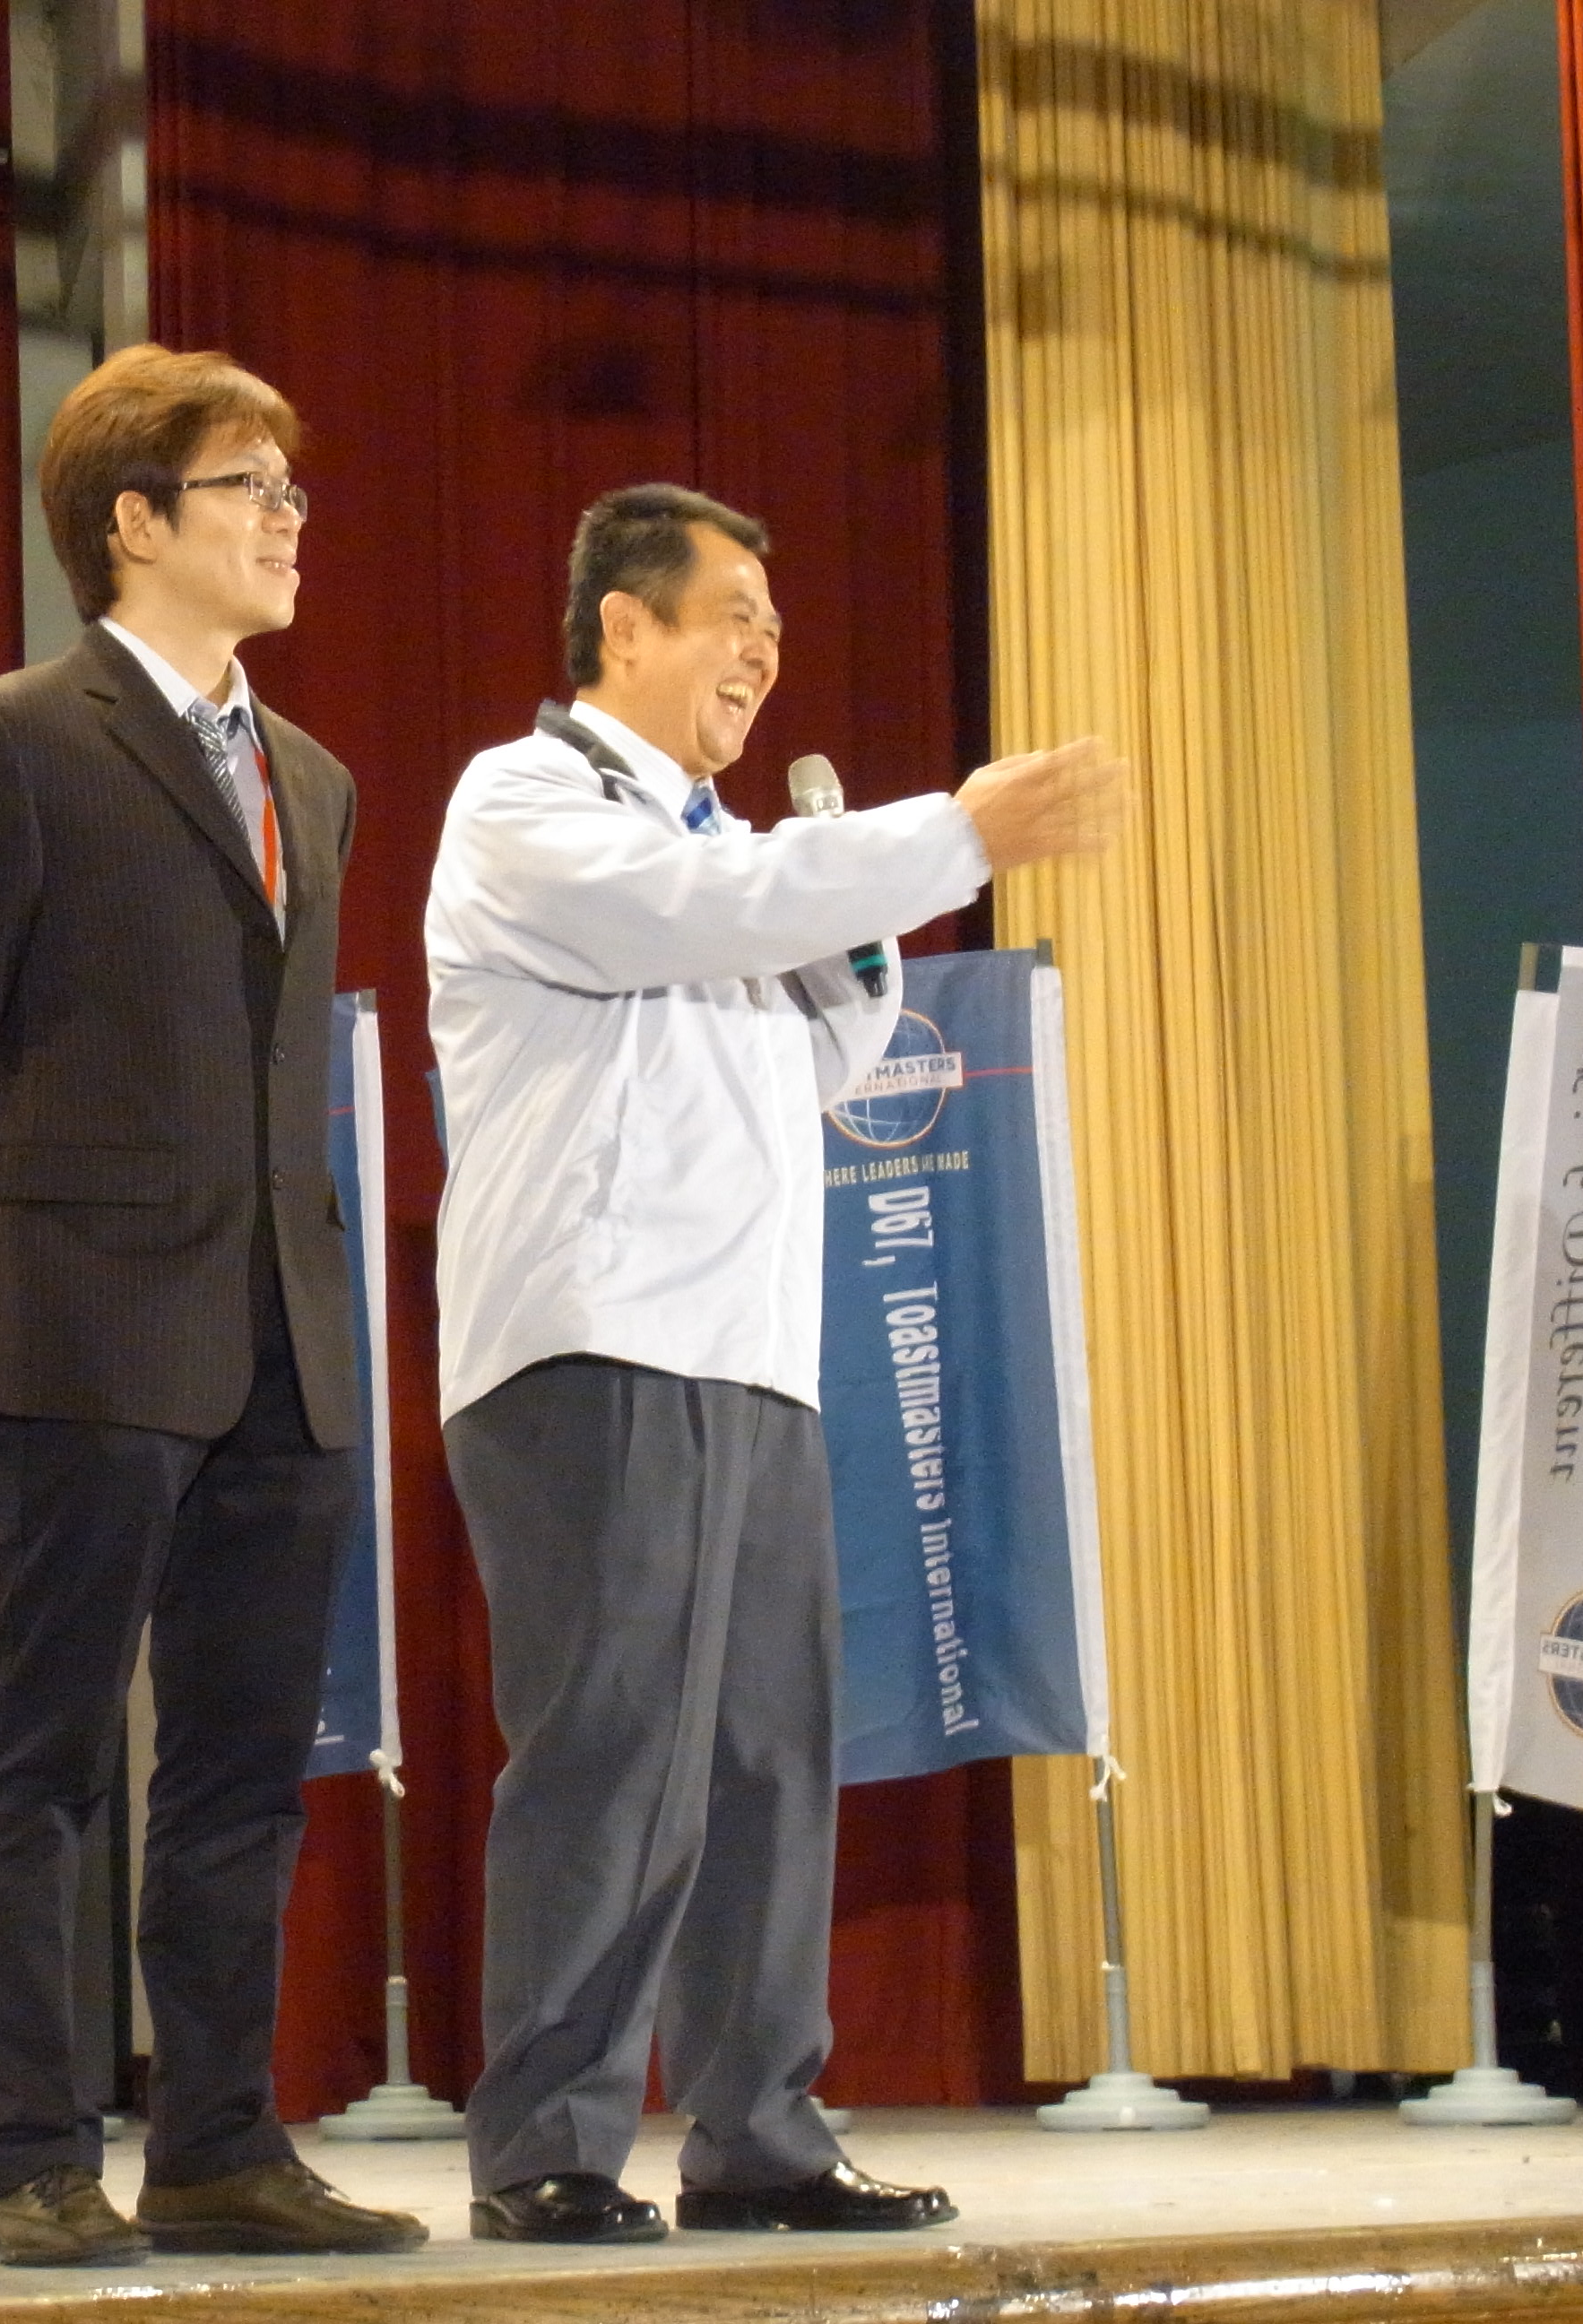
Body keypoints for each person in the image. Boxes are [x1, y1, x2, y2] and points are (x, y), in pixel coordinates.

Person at [426, 484, 1127, 2245]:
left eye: (775, 626)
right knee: (615, 1749)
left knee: (763, 1763)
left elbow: (816, 1051)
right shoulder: (529, 803)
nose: (762, 651)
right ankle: (549, 2145)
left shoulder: (732, 860)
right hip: (595, 1339)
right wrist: (953, 832)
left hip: (751, 1353)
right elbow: (693, 913)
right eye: (731, 614)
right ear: (623, 627)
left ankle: (759, 2133)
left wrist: (855, 945)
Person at [0, 345, 425, 2268]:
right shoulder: (10, 735)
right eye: (249, 488)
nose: (288, 522)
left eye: (293, 491)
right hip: (84, 1317)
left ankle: (217, 2142)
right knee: (42, 1749)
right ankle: (32, 2153)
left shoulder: (316, 779)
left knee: (246, 1764)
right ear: (133, 521)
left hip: (286, 1329)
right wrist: (32, 1246)